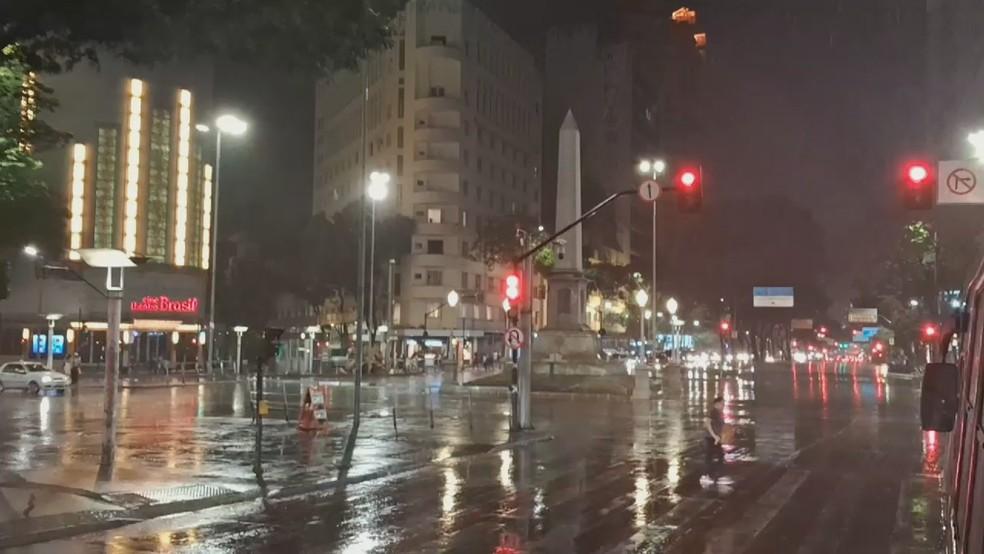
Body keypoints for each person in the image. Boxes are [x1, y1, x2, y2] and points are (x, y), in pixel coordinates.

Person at [701, 396, 733, 486]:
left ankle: (709, 476)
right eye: (722, 403)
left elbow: (720, 425)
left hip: (715, 438)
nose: (723, 405)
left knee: (714, 456)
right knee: (715, 456)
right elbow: (707, 423)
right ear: (717, 404)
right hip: (711, 438)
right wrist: (714, 436)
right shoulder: (713, 412)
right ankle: (712, 476)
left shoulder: (718, 413)